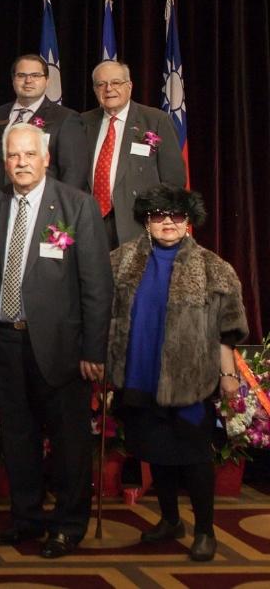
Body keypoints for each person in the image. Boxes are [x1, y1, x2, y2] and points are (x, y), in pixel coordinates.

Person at [0, 123, 111, 559]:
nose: (21, 163)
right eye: (13, 156)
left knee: (68, 441)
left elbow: (97, 286)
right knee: (17, 437)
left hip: (62, 347)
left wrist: (94, 349)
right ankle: (26, 518)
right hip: (5, 341)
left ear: (46, 159)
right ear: (5, 162)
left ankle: (68, 525)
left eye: (28, 155)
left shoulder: (77, 205)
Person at [106, 184, 247, 562]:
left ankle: (204, 530)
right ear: (146, 220)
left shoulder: (214, 268)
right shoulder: (120, 262)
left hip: (190, 383)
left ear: (189, 221)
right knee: (155, 451)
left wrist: (229, 375)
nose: (167, 222)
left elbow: (228, 331)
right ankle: (170, 520)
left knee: (194, 457)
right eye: (158, 215)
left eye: (177, 215)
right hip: (139, 376)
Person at [81, 61, 186, 248]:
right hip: (90, 223)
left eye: (116, 82)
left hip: (137, 224)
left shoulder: (156, 120)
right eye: (101, 84)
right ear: (95, 89)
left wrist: (157, 219)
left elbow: (174, 180)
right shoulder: (82, 122)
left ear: (129, 86)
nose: (109, 89)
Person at [0, 54, 90, 191]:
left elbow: (74, 173)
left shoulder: (66, 118)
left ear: (47, 80)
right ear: (13, 79)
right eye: (21, 75)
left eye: (35, 75)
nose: (28, 81)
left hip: (45, 201)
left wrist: (61, 203)